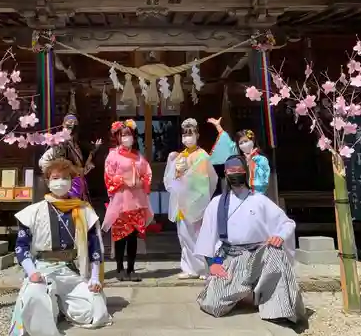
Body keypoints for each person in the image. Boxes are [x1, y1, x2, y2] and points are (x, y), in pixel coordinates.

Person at [194, 155, 304, 323]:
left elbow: (287, 223)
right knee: (213, 305)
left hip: (259, 255)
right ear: (225, 174)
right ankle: (248, 295)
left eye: (239, 171)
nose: (236, 174)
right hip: (231, 257)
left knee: (275, 252)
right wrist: (213, 263)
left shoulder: (259, 200)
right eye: (232, 171)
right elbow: (207, 237)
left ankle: (278, 310)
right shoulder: (216, 203)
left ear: (245, 173)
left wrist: (279, 236)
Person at [9, 158, 111, 335]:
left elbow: (95, 247)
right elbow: (21, 247)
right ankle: (52, 305)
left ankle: (61, 306)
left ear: (71, 181)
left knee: (96, 310)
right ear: (48, 181)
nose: (60, 182)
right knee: (35, 298)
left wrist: (94, 277)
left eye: (65, 177)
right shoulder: (33, 212)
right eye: (55, 178)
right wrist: (32, 272)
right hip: (42, 269)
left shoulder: (84, 211)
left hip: (71, 270)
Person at [163, 118, 218, 280]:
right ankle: (189, 268)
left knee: (199, 236)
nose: (187, 137)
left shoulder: (202, 156)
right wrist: (172, 164)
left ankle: (204, 268)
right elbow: (171, 180)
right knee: (184, 236)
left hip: (197, 202)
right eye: (184, 134)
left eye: (190, 134)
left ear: (197, 135)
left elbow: (206, 179)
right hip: (182, 202)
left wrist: (188, 174)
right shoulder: (180, 156)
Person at [102, 119, 153, 282]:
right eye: (123, 135)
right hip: (120, 201)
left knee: (132, 237)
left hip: (136, 201)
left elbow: (147, 173)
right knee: (120, 237)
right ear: (117, 137)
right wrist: (123, 181)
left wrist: (142, 182)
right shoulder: (112, 155)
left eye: (129, 135)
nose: (126, 137)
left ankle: (131, 269)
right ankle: (119, 269)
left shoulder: (139, 156)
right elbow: (108, 176)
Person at [39, 91, 102, 201]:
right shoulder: (59, 144)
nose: (71, 128)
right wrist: (60, 171)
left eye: (74, 126)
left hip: (78, 183)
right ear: (63, 125)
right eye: (68, 125)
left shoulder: (75, 145)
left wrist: (93, 152)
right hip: (66, 183)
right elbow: (43, 162)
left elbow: (82, 170)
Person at [207, 117, 270, 195]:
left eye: (246, 141)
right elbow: (227, 143)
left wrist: (251, 164)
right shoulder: (239, 158)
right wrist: (218, 126)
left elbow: (262, 181)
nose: (244, 144)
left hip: (256, 195)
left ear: (253, 140)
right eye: (241, 143)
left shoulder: (261, 159)